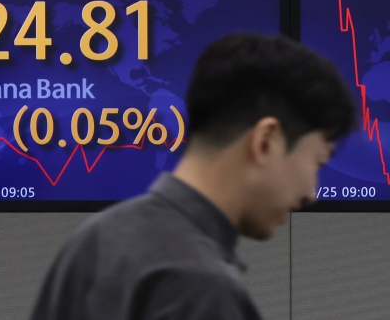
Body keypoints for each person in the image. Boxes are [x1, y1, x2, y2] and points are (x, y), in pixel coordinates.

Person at [30, 33, 356, 320]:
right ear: (265, 142)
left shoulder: (96, 238)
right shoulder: (202, 287)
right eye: (318, 162)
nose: (312, 192)